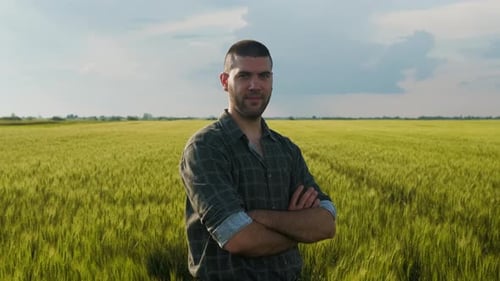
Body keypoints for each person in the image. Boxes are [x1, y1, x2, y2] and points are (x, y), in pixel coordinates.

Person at [179, 39, 337, 281]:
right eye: (243, 76)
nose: (255, 85)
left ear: (272, 80)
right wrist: (299, 228)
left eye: (263, 76)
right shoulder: (205, 147)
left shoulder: (286, 150)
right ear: (225, 82)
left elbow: (326, 224)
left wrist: (261, 217)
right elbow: (239, 238)